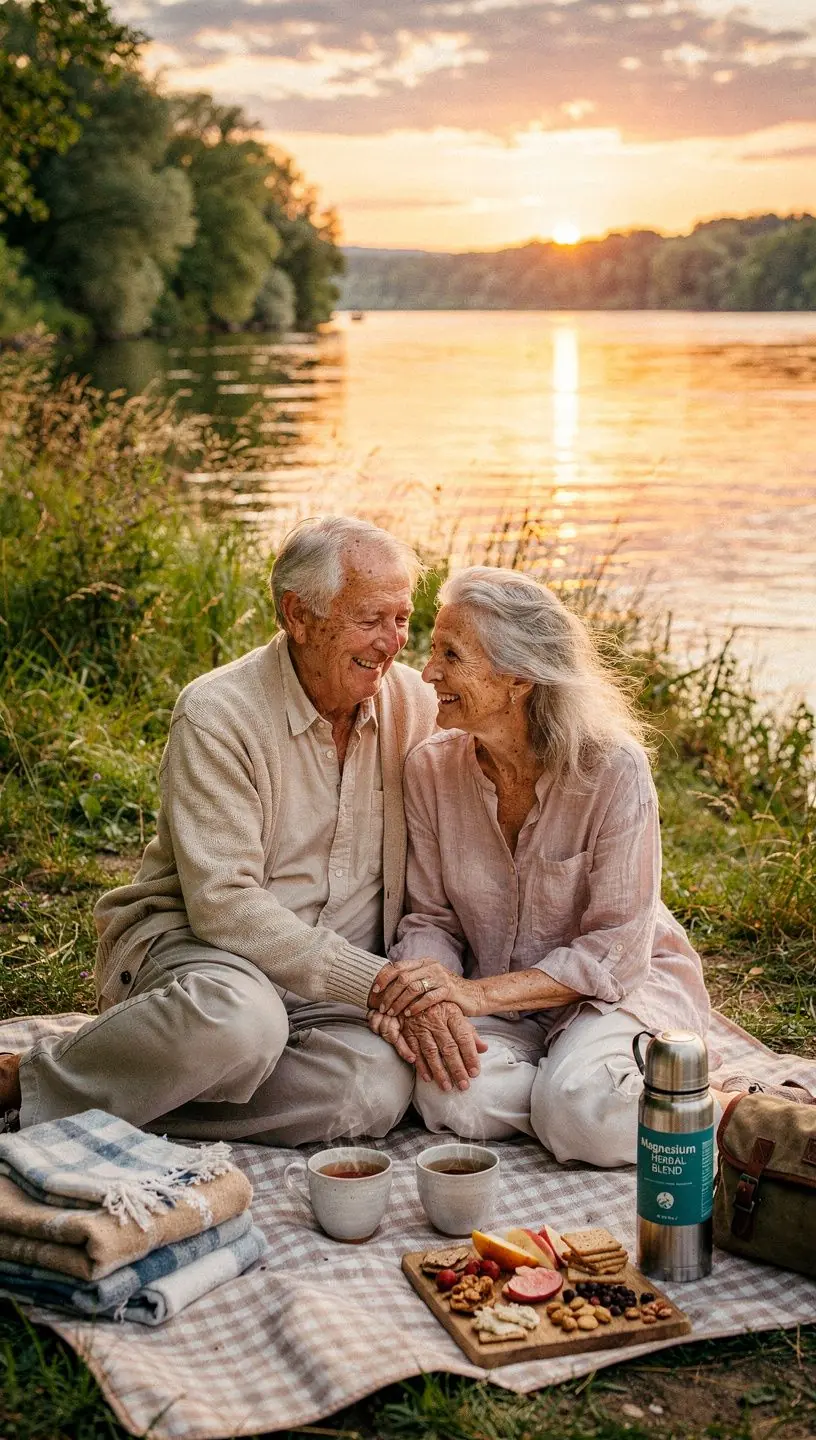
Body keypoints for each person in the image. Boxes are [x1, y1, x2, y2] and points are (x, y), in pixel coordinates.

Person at [0, 517, 488, 1141]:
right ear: (299, 616)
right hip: (207, 957)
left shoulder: (416, 708)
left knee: (373, 1091)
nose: (394, 643)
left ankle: (131, 1085)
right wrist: (380, 985)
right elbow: (223, 907)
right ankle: (28, 1080)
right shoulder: (217, 713)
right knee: (243, 1023)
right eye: (372, 619)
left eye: (403, 618)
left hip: (332, 988)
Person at [369, 565, 714, 1167]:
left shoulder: (613, 770)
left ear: (518, 678)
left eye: (451, 655)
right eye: (432, 652)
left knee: (578, 1111)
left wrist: (473, 995)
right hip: (503, 1001)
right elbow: (431, 920)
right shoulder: (430, 768)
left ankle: (595, 1092)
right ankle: (601, 1092)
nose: (427, 673)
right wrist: (437, 998)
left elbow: (613, 949)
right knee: (451, 1096)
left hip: (612, 990)